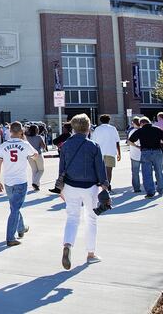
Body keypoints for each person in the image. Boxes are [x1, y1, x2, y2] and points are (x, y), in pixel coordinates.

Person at [58, 114, 109, 269]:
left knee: (72, 218)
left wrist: (60, 188)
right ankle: (91, 253)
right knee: (91, 218)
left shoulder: (65, 145)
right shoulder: (93, 146)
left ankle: (67, 245)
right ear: (88, 128)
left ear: (73, 128)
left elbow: (62, 168)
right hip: (89, 186)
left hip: (70, 185)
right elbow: (100, 168)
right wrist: (104, 185)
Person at [0, 121, 37, 247]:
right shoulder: (24, 144)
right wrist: (26, 141)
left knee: (14, 206)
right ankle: (10, 237)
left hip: (8, 181)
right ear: (21, 132)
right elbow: (35, 156)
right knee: (15, 209)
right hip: (20, 181)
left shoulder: (3, 146)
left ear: (10, 131)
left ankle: (21, 228)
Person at [128, 117, 163, 198]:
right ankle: (161, 189)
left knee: (147, 173)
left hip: (145, 152)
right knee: (159, 171)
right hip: (157, 152)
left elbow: (129, 141)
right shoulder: (158, 129)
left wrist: (137, 146)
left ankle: (150, 192)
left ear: (141, 123)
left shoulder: (140, 130)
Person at [90, 115, 121, 189]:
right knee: (109, 171)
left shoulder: (97, 129)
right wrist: (119, 153)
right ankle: (108, 185)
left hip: (99, 153)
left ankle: (101, 184)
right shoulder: (113, 129)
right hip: (111, 152)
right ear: (109, 120)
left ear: (100, 121)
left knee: (100, 170)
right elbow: (117, 142)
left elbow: (93, 142)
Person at [25, 124, 47, 191]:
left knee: (34, 170)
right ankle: (35, 183)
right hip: (38, 154)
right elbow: (43, 146)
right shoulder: (39, 137)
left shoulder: (26, 137)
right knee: (41, 170)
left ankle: (36, 186)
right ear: (36, 130)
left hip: (29, 156)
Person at [128, 117, 143, 192]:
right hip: (144, 154)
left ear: (133, 123)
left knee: (135, 172)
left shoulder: (132, 131)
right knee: (145, 171)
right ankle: (147, 186)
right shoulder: (143, 131)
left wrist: (137, 146)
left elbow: (129, 142)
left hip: (134, 154)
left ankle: (136, 188)